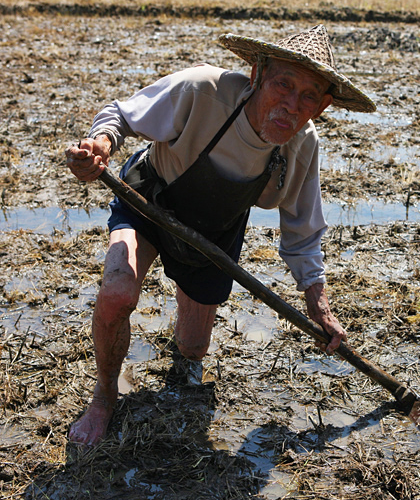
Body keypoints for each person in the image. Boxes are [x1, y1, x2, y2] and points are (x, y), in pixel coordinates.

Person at [65, 24, 376, 447]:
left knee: (193, 350)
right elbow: (121, 115)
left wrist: (317, 304)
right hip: (151, 200)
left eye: (307, 96)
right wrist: (100, 145)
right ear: (257, 75)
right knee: (118, 293)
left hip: (215, 232)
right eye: (283, 84)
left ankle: (186, 305)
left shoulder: (302, 145)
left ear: (321, 105)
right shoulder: (202, 90)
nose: (290, 105)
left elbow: (302, 233)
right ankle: (104, 396)